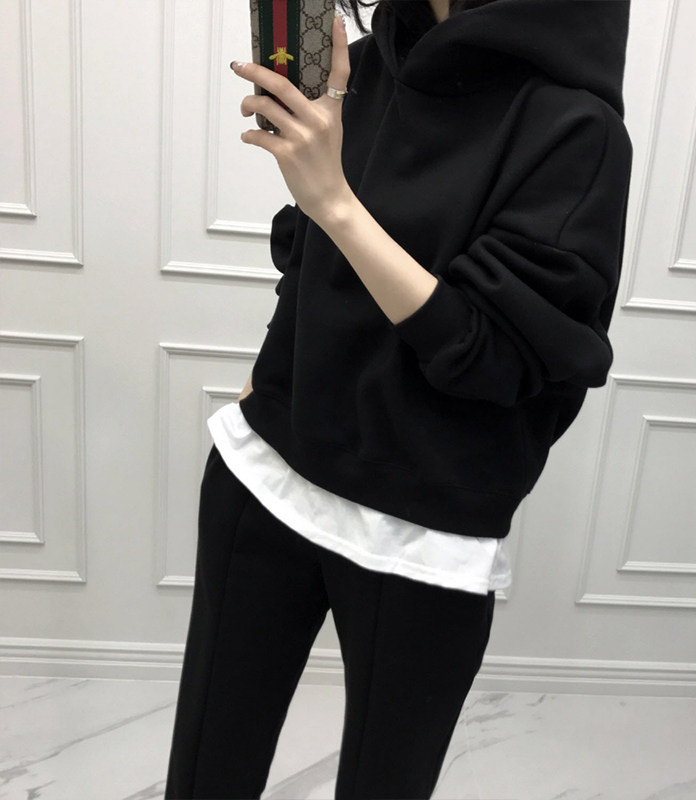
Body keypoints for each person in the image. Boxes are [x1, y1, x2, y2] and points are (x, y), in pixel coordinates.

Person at [164, 0, 633, 797]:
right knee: (207, 771)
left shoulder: (575, 128)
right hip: (267, 472)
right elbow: (309, 252)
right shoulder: (375, 63)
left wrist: (333, 199)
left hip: (421, 530)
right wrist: (264, 373)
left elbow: (490, 354)